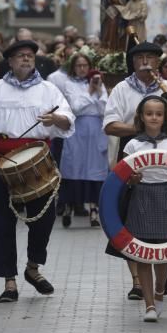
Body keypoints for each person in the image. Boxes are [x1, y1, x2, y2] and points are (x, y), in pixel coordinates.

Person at [0, 39, 75, 303]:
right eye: (21, 56)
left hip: (39, 161)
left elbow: (68, 119)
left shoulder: (49, 89)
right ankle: (9, 281)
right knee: (2, 222)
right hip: (3, 162)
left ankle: (33, 268)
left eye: (30, 56)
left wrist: (56, 119)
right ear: (9, 61)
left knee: (43, 220)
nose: (26, 59)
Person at [103, 41, 167, 299]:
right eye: (140, 58)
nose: (145, 61)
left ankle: (160, 275)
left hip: (166, 163)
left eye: (151, 57)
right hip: (132, 157)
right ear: (133, 62)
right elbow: (110, 125)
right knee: (129, 220)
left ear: (158, 62)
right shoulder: (122, 90)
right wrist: (140, 130)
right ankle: (137, 280)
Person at [120, 96, 167, 322]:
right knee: (143, 253)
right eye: (149, 113)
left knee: (163, 251)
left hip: (166, 196)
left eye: (158, 113)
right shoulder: (133, 145)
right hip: (141, 197)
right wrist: (132, 180)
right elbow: (123, 177)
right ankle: (149, 305)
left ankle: (159, 291)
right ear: (141, 117)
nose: (154, 117)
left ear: (165, 117)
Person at [59, 54, 108, 228]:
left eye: (85, 65)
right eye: (78, 65)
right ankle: (69, 206)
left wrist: (99, 90)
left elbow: (104, 108)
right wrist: (90, 93)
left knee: (94, 169)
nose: (82, 69)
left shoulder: (97, 82)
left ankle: (94, 209)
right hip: (77, 129)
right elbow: (75, 108)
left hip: (95, 129)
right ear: (73, 67)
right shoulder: (69, 84)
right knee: (74, 168)